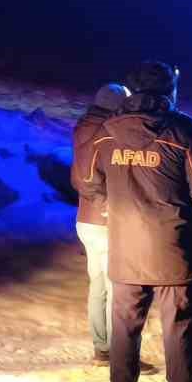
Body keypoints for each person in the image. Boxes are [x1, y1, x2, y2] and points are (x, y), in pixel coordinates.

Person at [86, 61, 192, 382]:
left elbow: (87, 181)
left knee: (124, 326)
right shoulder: (181, 131)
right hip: (174, 245)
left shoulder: (105, 132)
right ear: (169, 92)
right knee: (178, 324)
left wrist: (114, 212)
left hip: (125, 245)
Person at [72, 82, 130, 364]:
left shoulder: (83, 126)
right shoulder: (108, 132)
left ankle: (101, 348)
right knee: (115, 286)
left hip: (86, 219)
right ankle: (118, 353)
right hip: (106, 219)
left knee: (98, 285)